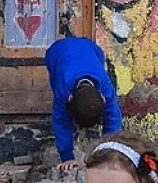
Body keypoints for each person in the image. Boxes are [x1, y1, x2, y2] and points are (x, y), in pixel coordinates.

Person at [43, 37, 123, 174]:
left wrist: (110, 154)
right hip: (56, 52)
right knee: (60, 105)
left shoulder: (106, 88)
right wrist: (66, 157)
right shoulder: (63, 89)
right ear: (70, 98)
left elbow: (113, 118)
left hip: (92, 48)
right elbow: (60, 121)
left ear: (103, 98)